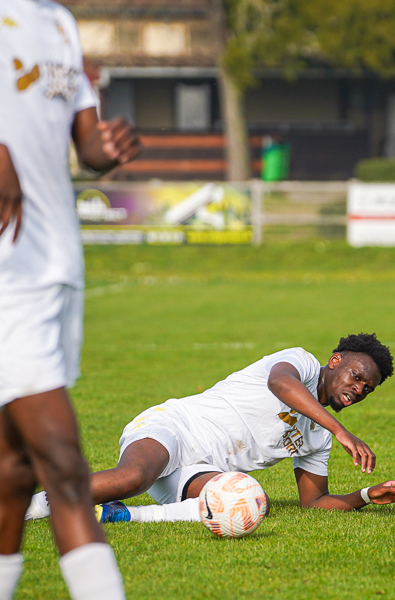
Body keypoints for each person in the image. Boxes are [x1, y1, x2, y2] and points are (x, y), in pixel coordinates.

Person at [0, 1, 141, 598]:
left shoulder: (59, 21)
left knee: (12, 469)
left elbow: (87, 144)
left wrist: (108, 146)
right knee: (65, 465)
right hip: (10, 271)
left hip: (59, 265)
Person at [26, 334, 395, 524]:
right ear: (334, 361)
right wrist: (341, 430)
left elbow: (313, 504)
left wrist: (369, 495)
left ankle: (122, 516)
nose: (358, 389)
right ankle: (33, 502)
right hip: (172, 428)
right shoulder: (299, 362)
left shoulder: (317, 437)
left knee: (250, 500)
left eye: (367, 389)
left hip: (196, 475)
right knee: (132, 476)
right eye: (356, 376)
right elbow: (280, 385)